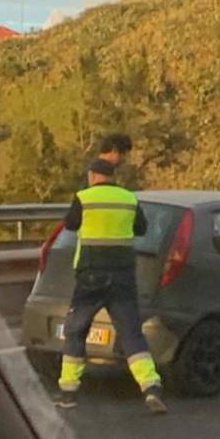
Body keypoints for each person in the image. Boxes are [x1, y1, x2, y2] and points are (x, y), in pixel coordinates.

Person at [55, 158, 167, 414]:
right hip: (123, 275)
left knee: (75, 331)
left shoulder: (84, 197)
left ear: (93, 175)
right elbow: (141, 228)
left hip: (91, 276)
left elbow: (70, 224)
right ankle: (150, 388)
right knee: (131, 333)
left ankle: (68, 392)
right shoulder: (128, 198)